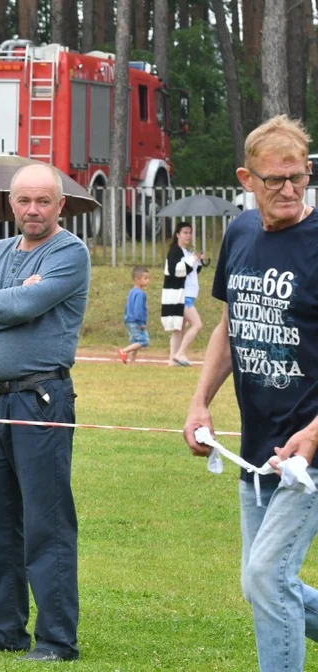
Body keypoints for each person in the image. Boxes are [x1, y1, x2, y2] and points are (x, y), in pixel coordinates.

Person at [183, 115, 318, 672]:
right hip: (256, 446)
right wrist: (199, 401)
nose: (289, 189)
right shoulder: (239, 234)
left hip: (308, 452)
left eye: (300, 176)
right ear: (246, 179)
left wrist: (312, 435)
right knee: (261, 584)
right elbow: (228, 324)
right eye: (275, 179)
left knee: (267, 578)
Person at [0, 162, 89, 661]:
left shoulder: (70, 253)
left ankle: (55, 640)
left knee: (45, 520)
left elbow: (28, 308)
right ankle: (2, 629)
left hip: (38, 400)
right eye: (24, 201)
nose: (33, 210)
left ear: (60, 205)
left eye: (43, 201)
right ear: (11, 204)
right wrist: (10, 300)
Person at [161, 221, 205, 367]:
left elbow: (191, 272)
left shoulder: (186, 252)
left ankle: (172, 359)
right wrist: (193, 259)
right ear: (177, 234)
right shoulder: (175, 251)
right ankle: (181, 353)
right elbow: (176, 271)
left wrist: (198, 261)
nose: (188, 235)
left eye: (190, 232)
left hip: (188, 294)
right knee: (197, 324)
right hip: (181, 296)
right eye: (185, 232)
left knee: (179, 328)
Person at [119, 266, 151, 364]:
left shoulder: (132, 292)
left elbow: (127, 307)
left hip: (129, 320)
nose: (148, 281)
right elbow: (138, 309)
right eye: (145, 278)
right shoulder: (140, 294)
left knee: (135, 341)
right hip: (136, 321)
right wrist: (141, 322)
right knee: (143, 341)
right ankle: (124, 351)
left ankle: (132, 362)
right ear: (137, 280)